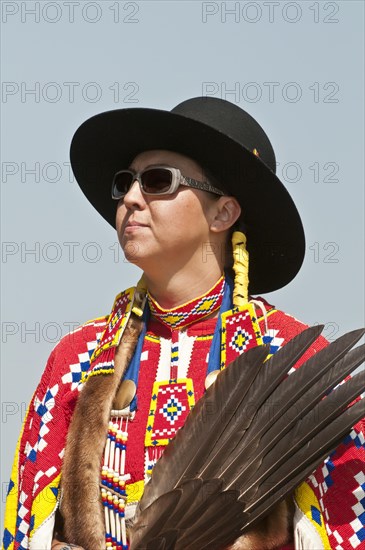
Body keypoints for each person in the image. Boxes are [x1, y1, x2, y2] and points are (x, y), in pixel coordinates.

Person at [3, 97, 364, 550]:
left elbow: (349, 525)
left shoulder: (288, 359)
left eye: (158, 180)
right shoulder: (77, 359)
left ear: (223, 213)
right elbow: (23, 529)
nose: (131, 198)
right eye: (125, 183)